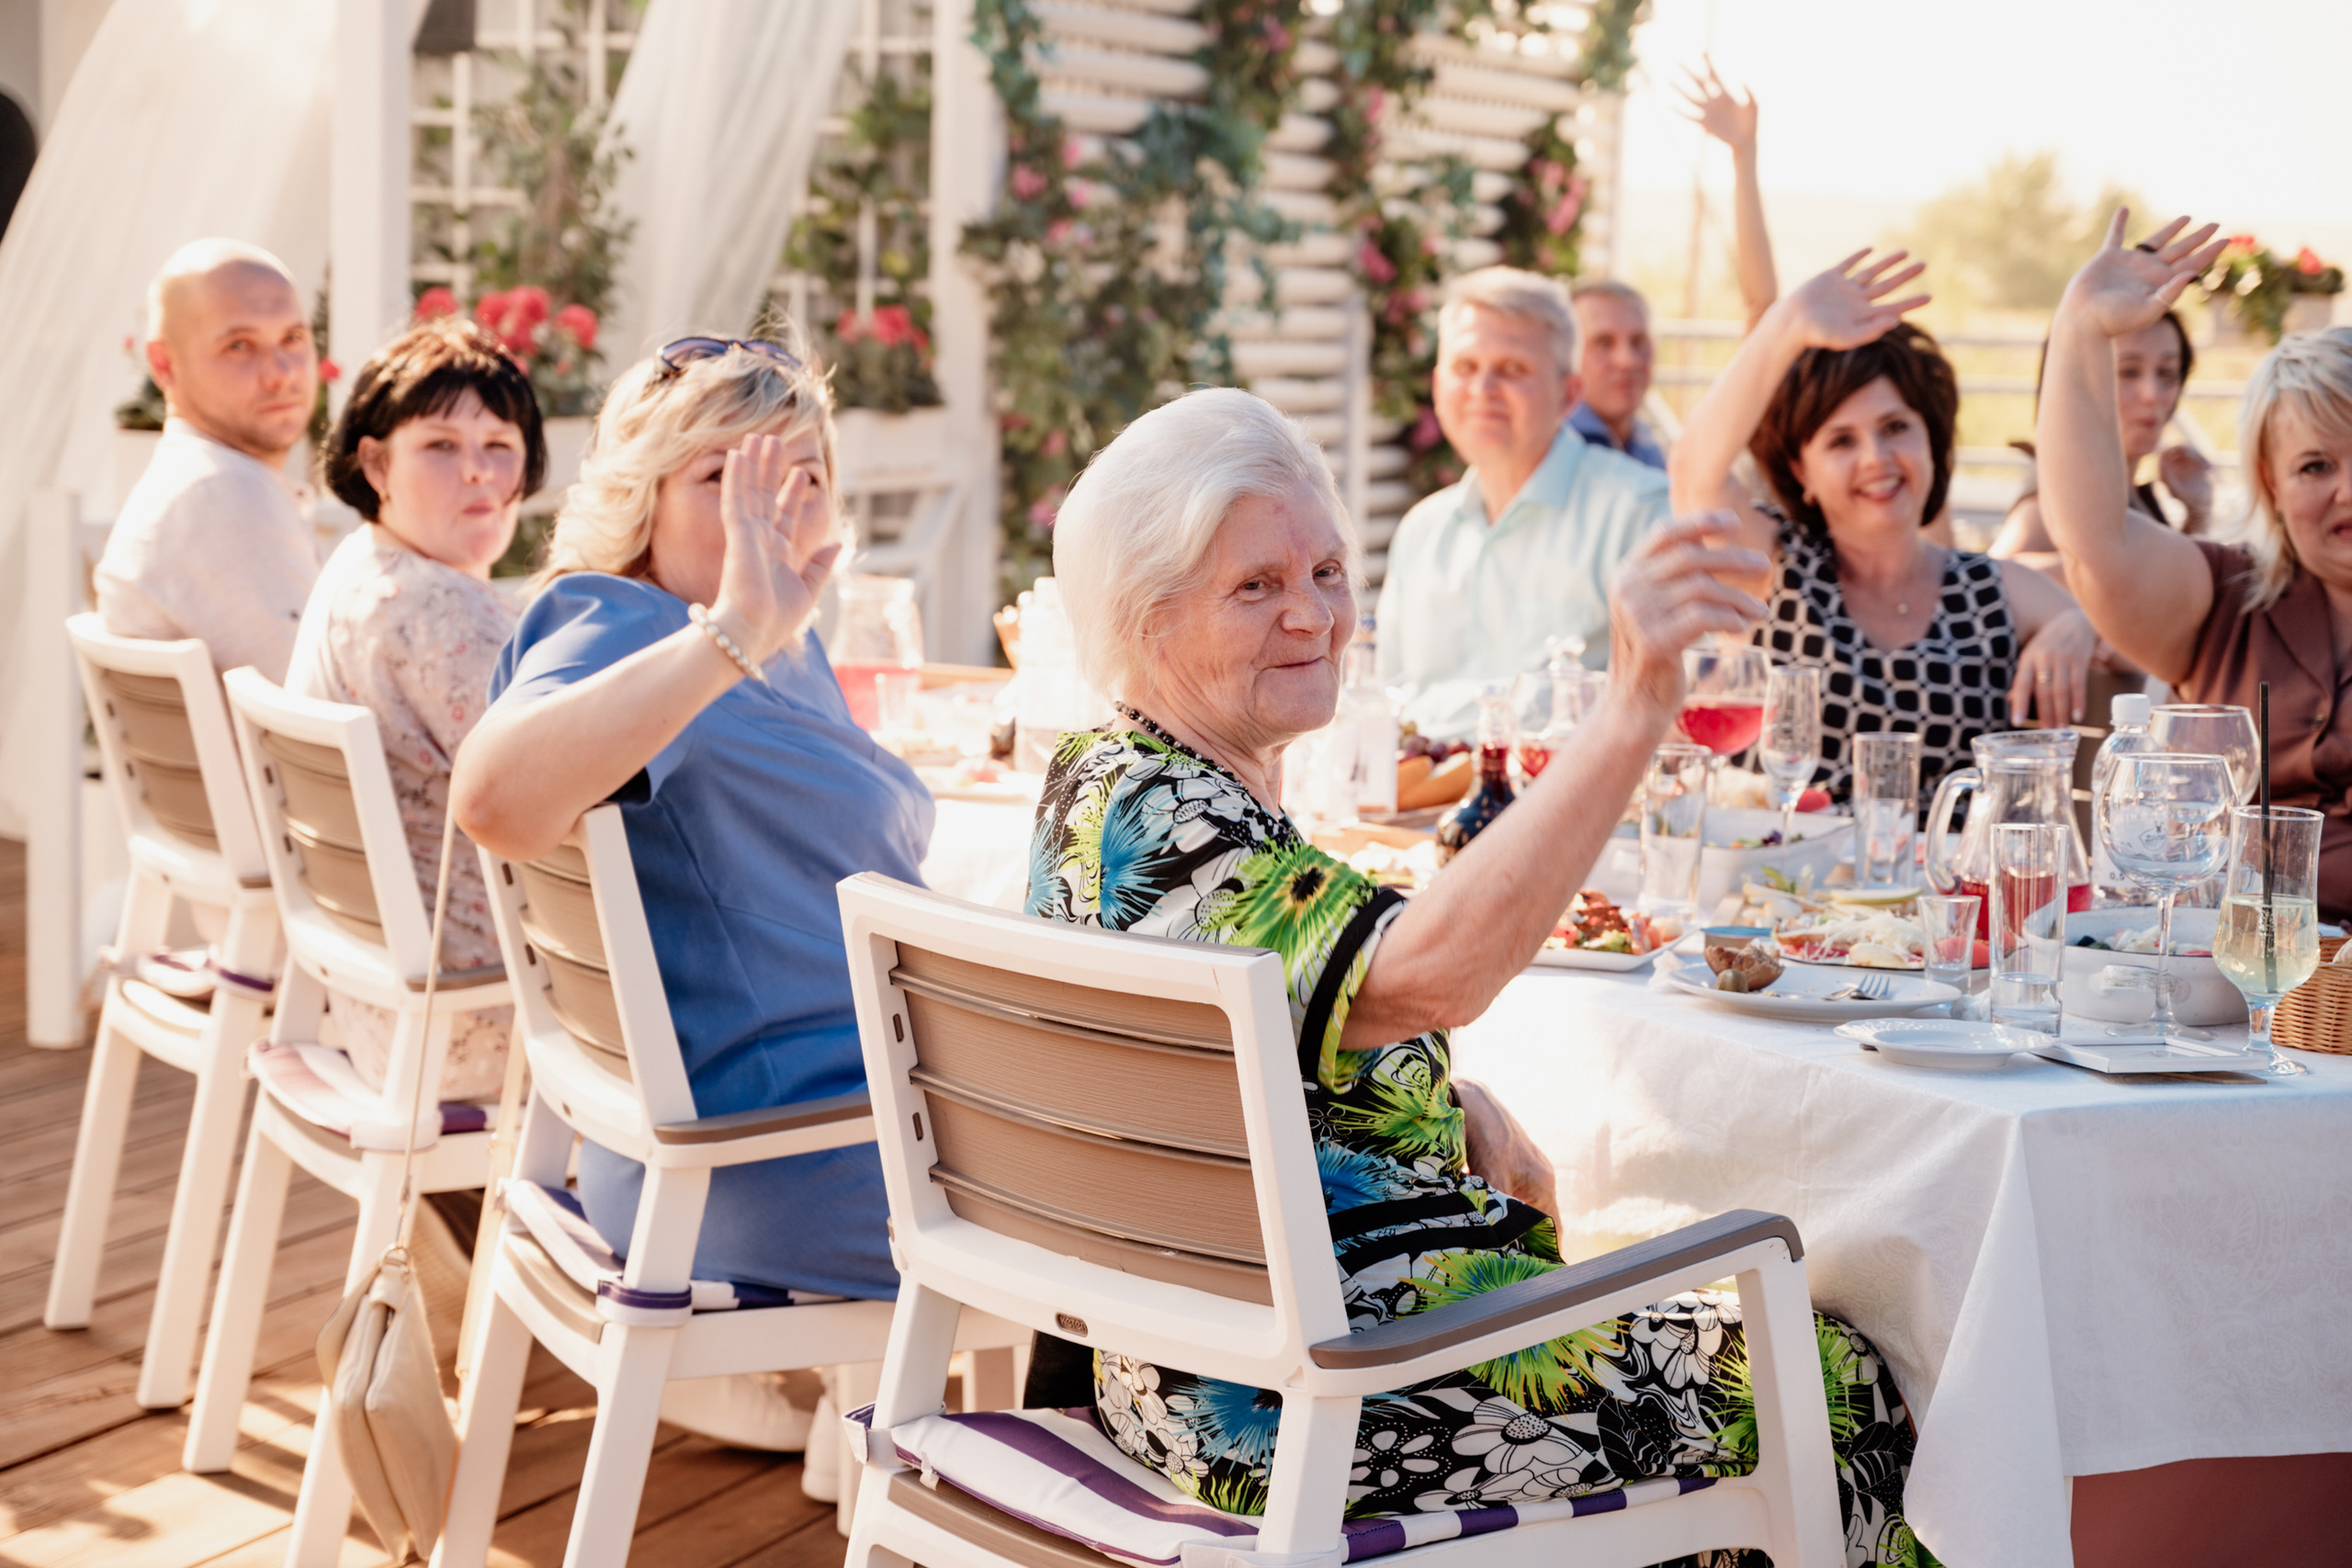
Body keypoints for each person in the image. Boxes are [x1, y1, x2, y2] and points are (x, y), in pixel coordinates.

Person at [1033, 386, 1921, 1564]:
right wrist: (1635, 701)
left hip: (1218, 1364)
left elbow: (1235, 1051)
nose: (1312, 616)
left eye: (1330, 573)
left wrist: (1446, 1108)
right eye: (1255, 586)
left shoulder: (1103, 779)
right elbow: (1432, 976)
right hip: (1322, 1398)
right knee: (1847, 1381)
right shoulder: (1173, 820)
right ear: (1143, 618)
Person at [450, 332, 922, 1450]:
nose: (769, 508)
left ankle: (893, 1474)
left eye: (797, 474)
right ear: (641, 496)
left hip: (827, 1123)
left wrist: (759, 631)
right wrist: (733, 633)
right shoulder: (623, 620)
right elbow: (496, 800)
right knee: (1129, 1224)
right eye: (723, 478)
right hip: (765, 1159)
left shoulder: (770, 641)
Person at [1668, 249, 2109, 805]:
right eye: (1842, 441)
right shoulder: (1771, 566)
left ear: (1931, 441)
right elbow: (1693, 472)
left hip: (1951, 886)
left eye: (1895, 427)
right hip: (1784, 882)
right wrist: (1786, 323)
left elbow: (2109, 618)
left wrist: (2076, 625)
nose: (1876, 457)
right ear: (1801, 471)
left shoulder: (1991, 589)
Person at [2039, 212, 2352, 922]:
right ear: (2272, 483)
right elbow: (2093, 539)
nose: (2347, 489)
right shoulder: (2220, 599)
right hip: (2227, 983)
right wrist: (2081, 328)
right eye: (2316, 465)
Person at [289, 317, 544, 1101]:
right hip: (483, 1012)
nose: (477, 473)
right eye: (440, 446)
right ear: (375, 463)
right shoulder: (429, 610)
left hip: (382, 999)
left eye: (499, 446)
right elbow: (564, 802)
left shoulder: (364, 567)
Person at [1376, 267, 1672, 736]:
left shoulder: (1640, 512)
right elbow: (1384, 702)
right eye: (1465, 368)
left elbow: (1673, 707)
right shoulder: (1422, 530)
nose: (1482, 390)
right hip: (1419, 801)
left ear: (1568, 394)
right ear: (1437, 387)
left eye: (1513, 370)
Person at [94, 239, 322, 679]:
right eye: (239, 345)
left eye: (292, 338)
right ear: (163, 365)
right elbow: (316, 703)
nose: (282, 373)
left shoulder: (199, 483)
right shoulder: (220, 494)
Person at [1564, 62, 1781, 469]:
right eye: (1603, 343)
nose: (1628, 360)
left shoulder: (1653, 453)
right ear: (1564, 358)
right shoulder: (1549, 450)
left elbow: (1764, 315)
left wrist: (1744, 156)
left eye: (1639, 342)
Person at [1992, 306, 2213, 584]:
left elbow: (2176, 596)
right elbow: (1996, 580)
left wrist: (2197, 511)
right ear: (2076, 381)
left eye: (2167, 373)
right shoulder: (2063, 491)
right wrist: (2103, 569)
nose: (2152, 394)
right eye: (2129, 372)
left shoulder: (2122, 488)